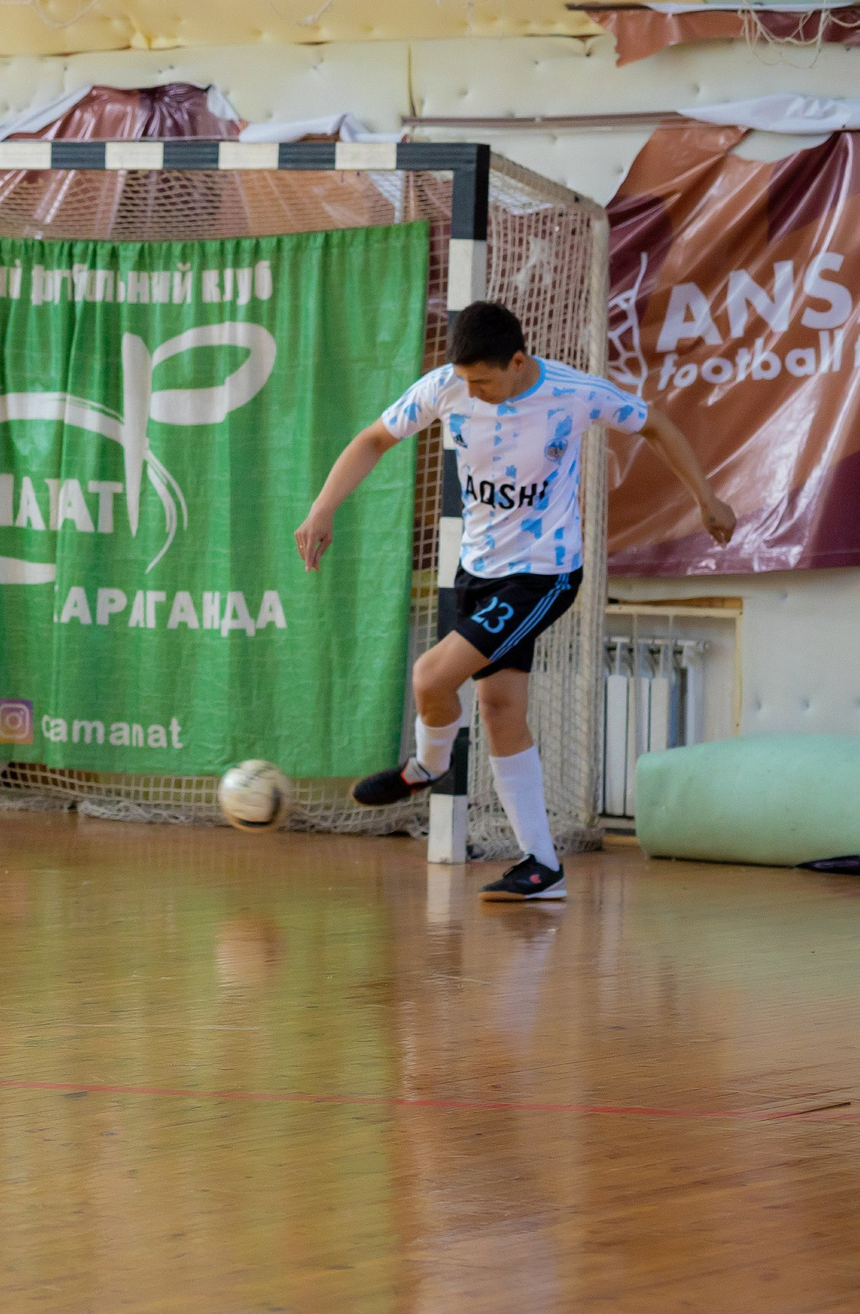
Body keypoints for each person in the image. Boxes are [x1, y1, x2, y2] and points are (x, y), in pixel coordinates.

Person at [294, 300, 735, 902]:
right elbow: (374, 439)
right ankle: (541, 867)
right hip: (478, 571)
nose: (472, 392)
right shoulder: (447, 388)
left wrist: (705, 499)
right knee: (500, 707)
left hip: (543, 575)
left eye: (483, 381)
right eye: (464, 380)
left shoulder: (575, 394)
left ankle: (426, 766)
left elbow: (656, 423)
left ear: (518, 361)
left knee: (430, 677)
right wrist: (323, 508)